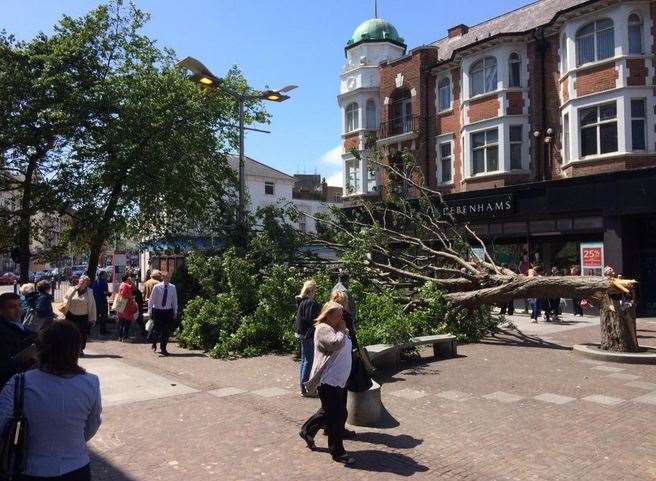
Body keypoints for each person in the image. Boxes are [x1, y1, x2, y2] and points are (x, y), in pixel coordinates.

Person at [0, 321, 102, 481]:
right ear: (76, 348)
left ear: (40, 348)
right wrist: (68, 441)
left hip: (30, 468)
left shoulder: (19, 382)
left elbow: (2, 423)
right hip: (76, 467)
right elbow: (92, 424)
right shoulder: (91, 382)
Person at [299, 301, 354, 466]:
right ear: (327, 315)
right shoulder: (322, 329)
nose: (339, 317)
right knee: (336, 416)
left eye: (341, 314)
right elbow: (335, 344)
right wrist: (343, 330)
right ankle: (338, 452)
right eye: (336, 314)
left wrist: (344, 330)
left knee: (330, 412)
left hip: (340, 380)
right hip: (328, 380)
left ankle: (306, 431)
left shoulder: (339, 330)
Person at [0, 293, 37, 389]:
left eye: (20, 305)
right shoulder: (3, 332)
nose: (18, 310)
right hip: (10, 385)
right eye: (12, 307)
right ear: (1, 311)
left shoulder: (17, 324)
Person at [294, 280, 320, 397]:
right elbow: (311, 319)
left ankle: (303, 387)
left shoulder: (301, 301)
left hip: (301, 333)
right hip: (308, 334)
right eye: (315, 289)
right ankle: (306, 389)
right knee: (309, 361)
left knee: (304, 360)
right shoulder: (310, 302)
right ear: (312, 290)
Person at [61, 275, 97, 355]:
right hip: (71, 315)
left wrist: (93, 319)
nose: (81, 283)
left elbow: (92, 305)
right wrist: (74, 290)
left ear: (87, 284)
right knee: (70, 333)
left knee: (82, 334)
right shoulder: (72, 289)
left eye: (83, 282)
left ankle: (80, 349)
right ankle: (70, 349)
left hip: (83, 316)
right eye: (80, 281)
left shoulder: (90, 292)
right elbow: (66, 299)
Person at [147, 272, 178, 356]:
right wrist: (149, 311)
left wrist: (175, 312)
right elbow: (151, 299)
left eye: (168, 277)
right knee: (157, 330)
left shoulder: (172, 287)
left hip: (168, 311)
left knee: (166, 331)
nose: (166, 278)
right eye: (165, 277)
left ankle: (163, 348)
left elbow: (174, 301)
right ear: (162, 278)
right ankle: (154, 342)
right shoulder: (157, 287)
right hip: (158, 311)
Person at [91, 271, 110, 335]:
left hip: (96, 301)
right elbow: (104, 292)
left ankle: (91, 330)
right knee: (103, 316)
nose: (107, 276)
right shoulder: (103, 281)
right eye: (106, 274)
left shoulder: (96, 281)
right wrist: (109, 293)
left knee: (97, 315)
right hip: (102, 301)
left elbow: (93, 291)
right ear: (102, 275)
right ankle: (103, 331)